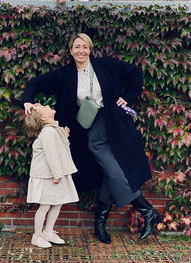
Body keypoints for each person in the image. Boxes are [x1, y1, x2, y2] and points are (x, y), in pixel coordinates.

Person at [22, 33, 161, 244]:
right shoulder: (65, 74)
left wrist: (129, 97)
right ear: (70, 50)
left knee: (111, 170)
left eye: (85, 47)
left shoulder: (105, 66)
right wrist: (27, 101)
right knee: (110, 170)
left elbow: (135, 73)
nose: (81, 51)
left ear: (90, 49)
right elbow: (36, 83)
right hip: (85, 130)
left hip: (114, 125)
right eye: (77, 47)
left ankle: (107, 222)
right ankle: (145, 211)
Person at [24, 103, 79, 248]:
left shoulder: (52, 129)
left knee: (57, 202)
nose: (46, 104)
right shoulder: (48, 132)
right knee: (45, 205)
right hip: (46, 176)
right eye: (42, 106)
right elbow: (52, 155)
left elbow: (59, 149)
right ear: (44, 117)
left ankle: (48, 231)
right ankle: (37, 236)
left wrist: (64, 136)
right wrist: (57, 174)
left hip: (51, 174)